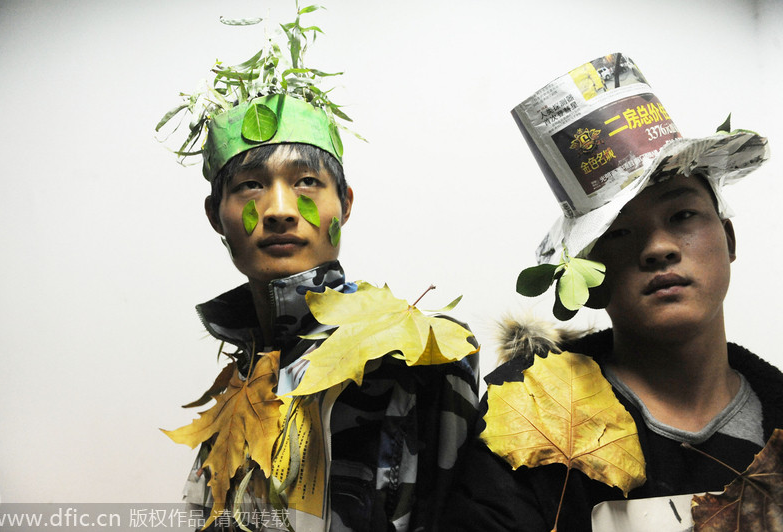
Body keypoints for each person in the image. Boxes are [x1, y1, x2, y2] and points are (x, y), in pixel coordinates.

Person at [157, 10, 480, 532]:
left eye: (306, 181)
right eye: (249, 186)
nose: (281, 208)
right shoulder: (239, 383)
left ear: (344, 203)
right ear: (216, 215)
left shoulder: (415, 354)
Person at [444, 53, 777, 531]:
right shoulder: (528, 412)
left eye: (682, 216)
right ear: (590, 278)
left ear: (728, 239)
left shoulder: (776, 417)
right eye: (618, 233)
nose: (659, 248)